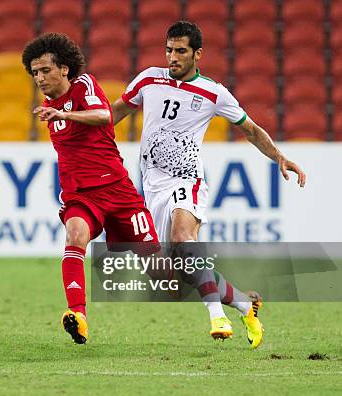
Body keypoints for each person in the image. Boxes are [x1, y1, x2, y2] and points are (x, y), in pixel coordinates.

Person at [111, 21, 306, 348]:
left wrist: (279, 157)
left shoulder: (214, 93)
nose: (173, 57)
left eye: (181, 51)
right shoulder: (148, 79)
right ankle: (245, 305)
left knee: (184, 237)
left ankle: (217, 316)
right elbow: (114, 113)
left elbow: (251, 130)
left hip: (188, 179)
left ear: (197, 54)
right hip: (152, 186)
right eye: (169, 50)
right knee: (168, 277)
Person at [22, 33, 164, 344]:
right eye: (34, 72)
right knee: (75, 237)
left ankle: (236, 298)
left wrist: (63, 114)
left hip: (118, 192)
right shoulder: (49, 106)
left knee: (162, 274)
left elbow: (105, 116)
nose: (39, 78)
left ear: (64, 69)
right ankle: (78, 315)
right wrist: (58, 112)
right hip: (81, 196)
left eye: (45, 70)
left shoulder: (83, 86)